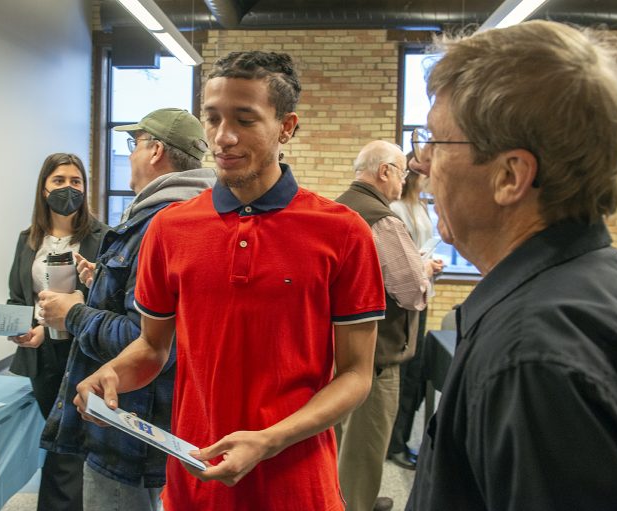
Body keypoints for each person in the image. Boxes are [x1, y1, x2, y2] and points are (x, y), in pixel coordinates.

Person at [73, 51, 386, 511]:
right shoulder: (170, 228)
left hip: (298, 488)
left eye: (245, 119)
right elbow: (153, 347)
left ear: (287, 126)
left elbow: (356, 375)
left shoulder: (342, 231)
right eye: (213, 118)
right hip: (194, 480)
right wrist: (112, 373)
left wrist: (270, 440)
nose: (224, 137)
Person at [406, 20, 617, 510]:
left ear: (510, 176)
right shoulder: (608, 292)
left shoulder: (529, 358)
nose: (422, 164)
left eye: (436, 142)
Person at [37, 109, 215, 510]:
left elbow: (147, 340)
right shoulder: (195, 216)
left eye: (134, 145)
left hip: (128, 430)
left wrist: (74, 313)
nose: (131, 155)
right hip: (161, 423)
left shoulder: (159, 225)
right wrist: (98, 283)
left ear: (155, 152)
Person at [335, 141, 434, 511]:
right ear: (385, 171)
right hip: (375, 357)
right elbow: (411, 294)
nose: (403, 180)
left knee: (339, 440)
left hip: (335, 349)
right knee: (364, 450)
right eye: (402, 173)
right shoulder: (384, 220)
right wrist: (423, 271)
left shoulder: (336, 207)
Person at [7, 152, 108, 511]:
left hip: (87, 352)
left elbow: (114, 301)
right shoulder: (27, 240)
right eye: (59, 181)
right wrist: (27, 329)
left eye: (76, 181)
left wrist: (90, 287)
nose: (68, 188)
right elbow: (18, 297)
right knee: (57, 440)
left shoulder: (104, 238)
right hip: (42, 354)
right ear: (44, 188)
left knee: (77, 440)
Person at [386, 154, 444, 472]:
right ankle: (395, 444)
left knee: (416, 372)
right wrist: (423, 266)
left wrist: (429, 267)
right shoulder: (397, 210)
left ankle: (400, 439)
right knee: (407, 375)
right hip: (406, 303)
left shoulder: (420, 207)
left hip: (423, 295)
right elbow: (401, 268)